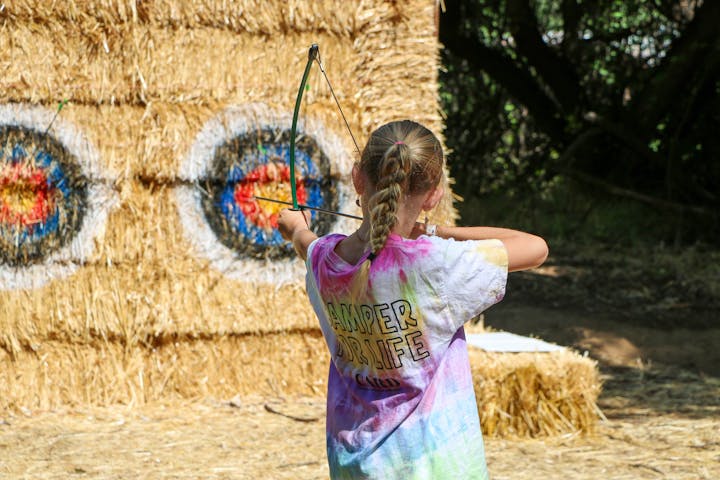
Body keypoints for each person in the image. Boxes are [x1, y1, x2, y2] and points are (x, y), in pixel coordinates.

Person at [278, 120, 548, 479]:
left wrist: (296, 226)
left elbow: (303, 240)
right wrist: (436, 231)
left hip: (355, 466)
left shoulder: (323, 260)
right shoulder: (434, 263)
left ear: (358, 178)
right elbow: (535, 248)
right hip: (436, 465)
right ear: (434, 195)